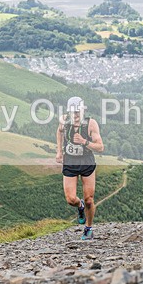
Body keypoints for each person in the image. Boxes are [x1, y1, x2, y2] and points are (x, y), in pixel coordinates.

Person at [56, 96, 104, 240]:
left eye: (78, 112)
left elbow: (100, 147)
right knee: (71, 199)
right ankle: (80, 206)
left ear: (83, 110)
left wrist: (84, 142)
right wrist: (59, 151)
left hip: (86, 161)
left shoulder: (91, 124)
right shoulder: (64, 120)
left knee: (89, 199)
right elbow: (59, 131)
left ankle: (88, 229)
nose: (75, 115)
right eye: (73, 112)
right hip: (70, 161)